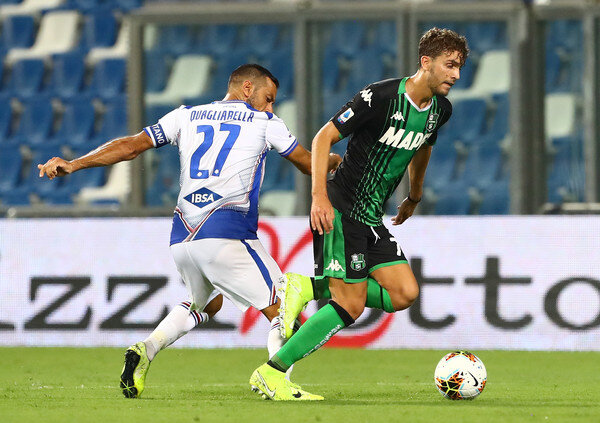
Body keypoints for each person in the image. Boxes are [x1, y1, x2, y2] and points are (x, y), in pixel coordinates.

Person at [38, 64, 341, 400]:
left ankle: (146, 349)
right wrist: (334, 161)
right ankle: (275, 379)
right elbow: (307, 163)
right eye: (268, 98)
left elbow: (132, 146)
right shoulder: (265, 122)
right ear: (246, 88)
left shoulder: (186, 115)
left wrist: (75, 163)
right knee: (284, 308)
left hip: (183, 239)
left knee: (207, 304)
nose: (270, 106)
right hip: (226, 233)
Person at [250, 28, 469, 401]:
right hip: (342, 207)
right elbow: (323, 137)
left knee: (404, 293)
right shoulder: (379, 97)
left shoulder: (440, 111)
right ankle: (272, 373)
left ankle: (308, 287)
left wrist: (414, 194)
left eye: (460, 67)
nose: (456, 74)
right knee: (349, 304)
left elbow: (423, 148)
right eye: (449, 65)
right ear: (426, 62)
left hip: (371, 216)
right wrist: (318, 196)